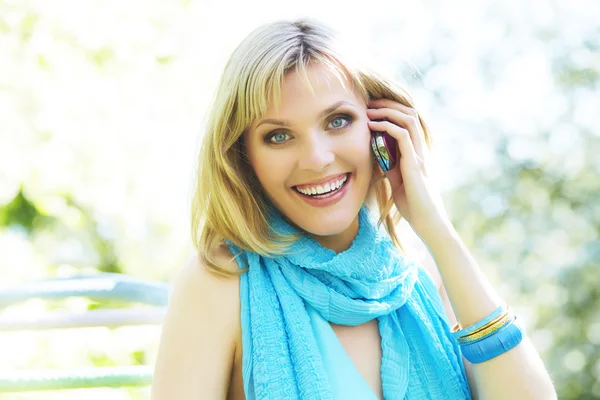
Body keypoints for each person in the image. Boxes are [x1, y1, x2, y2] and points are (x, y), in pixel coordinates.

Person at [151, 17, 557, 400]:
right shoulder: (219, 282)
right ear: (244, 157)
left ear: (380, 130)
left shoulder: (422, 281)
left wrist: (435, 227)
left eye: (338, 121)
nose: (316, 158)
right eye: (278, 136)